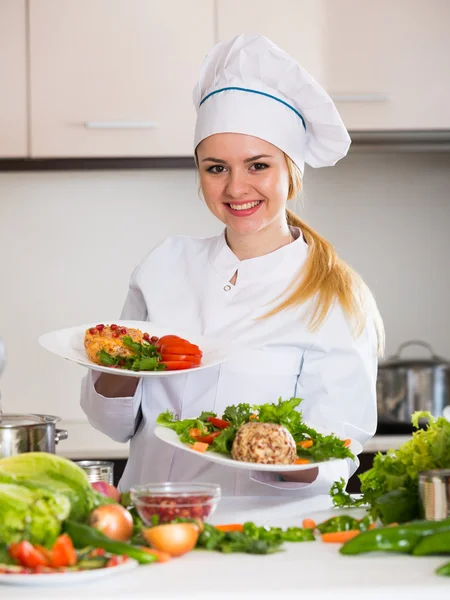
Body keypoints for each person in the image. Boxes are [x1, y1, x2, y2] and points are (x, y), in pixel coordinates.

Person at [81, 34, 385, 496]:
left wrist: (285, 454)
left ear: (291, 171)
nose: (236, 188)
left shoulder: (334, 296)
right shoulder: (164, 265)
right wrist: (116, 366)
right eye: (216, 168)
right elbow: (113, 424)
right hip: (152, 525)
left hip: (259, 539)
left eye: (258, 165)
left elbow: (338, 451)